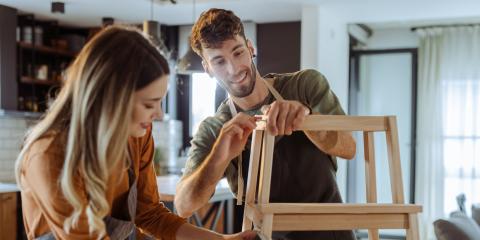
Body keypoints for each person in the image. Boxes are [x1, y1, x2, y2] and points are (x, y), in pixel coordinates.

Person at [15, 25, 256, 240]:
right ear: (113, 100)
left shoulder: (135, 138)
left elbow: (151, 216)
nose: (159, 115)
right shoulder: (49, 155)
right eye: (149, 104)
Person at [175, 8, 357, 240]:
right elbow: (183, 206)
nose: (233, 69)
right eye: (219, 61)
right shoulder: (214, 128)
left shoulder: (305, 86)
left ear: (250, 48)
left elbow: (349, 148)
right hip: (267, 236)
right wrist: (219, 155)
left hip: (332, 232)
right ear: (207, 68)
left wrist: (307, 119)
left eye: (238, 53)